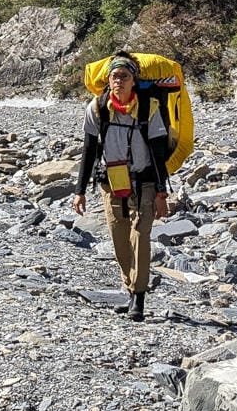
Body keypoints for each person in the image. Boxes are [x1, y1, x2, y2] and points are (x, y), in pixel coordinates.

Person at [72, 50, 171, 321]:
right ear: (108, 80)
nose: (119, 81)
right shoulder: (97, 108)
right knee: (119, 239)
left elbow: (158, 154)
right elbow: (89, 151)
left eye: (124, 77)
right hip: (112, 182)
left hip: (146, 181)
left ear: (134, 81)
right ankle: (130, 289)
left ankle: (139, 297)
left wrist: (163, 193)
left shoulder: (148, 109)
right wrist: (79, 191)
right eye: (115, 76)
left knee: (140, 235)